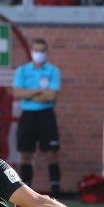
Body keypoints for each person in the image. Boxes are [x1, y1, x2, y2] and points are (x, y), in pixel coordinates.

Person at [13, 37, 62, 197]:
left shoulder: (53, 71)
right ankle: (26, 190)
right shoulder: (22, 71)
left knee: (51, 153)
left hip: (46, 115)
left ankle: (55, 190)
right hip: (28, 115)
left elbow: (51, 96)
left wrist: (28, 94)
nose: (38, 54)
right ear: (31, 52)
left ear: (46, 53)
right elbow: (17, 93)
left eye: (42, 51)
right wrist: (38, 92)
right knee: (26, 153)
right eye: (36, 50)